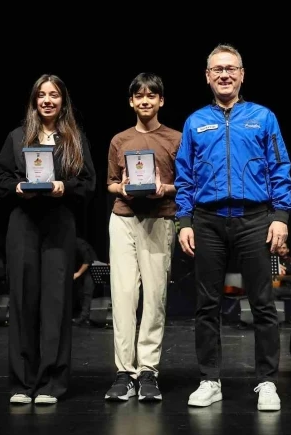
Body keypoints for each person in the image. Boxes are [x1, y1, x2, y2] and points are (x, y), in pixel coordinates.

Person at [175, 44, 291, 411]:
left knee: (262, 303)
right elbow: (184, 175)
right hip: (208, 221)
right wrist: (184, 220)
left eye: (231, 68)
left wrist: (281, 215)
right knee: (207, 305)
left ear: (242, 74)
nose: (224, 74)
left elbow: (279, 166)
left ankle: (267, 382)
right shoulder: (195, 121)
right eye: (217, 69)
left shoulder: (263, 117)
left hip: (255, 218)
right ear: (207, 76)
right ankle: (210, 379)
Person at [0, 74, 96, 405]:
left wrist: (64, 186)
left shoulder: (74, 137)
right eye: (42, 95)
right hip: (23, 223)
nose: (48, 100)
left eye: (54, 95)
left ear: (63, 101)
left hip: (59, 222)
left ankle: (52, 383)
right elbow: (1, 177)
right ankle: (22, 383)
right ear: (34, 100)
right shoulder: (17, 136)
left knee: (55, 302)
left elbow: (88, 182)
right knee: (23, 300)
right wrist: (18, 187)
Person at [105, 72, 181, 402]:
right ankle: (124, 372)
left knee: (154, 298)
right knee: (123, 296)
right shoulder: (119, 140)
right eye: (139, 95)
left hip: (160, 218)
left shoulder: (176, 139)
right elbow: (109, 182)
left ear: (161, 100)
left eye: (152, 95)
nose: (145, 100)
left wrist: (165, 188)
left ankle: (148, 371)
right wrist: (120, 187)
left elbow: (188, 183)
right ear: (132, 102)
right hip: (123, 218)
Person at [72, 236, 97, 326]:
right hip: (82, 268)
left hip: (92, 268)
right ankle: (84, 316)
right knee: (79, 292)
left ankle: (84, 317)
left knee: (87, 292)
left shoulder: (79, 243)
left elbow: (87, 261)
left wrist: (78, 273)